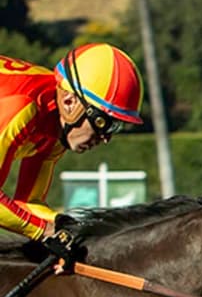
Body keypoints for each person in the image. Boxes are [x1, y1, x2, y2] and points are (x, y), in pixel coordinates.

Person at [0, 42, 144, 250]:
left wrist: (67, 228)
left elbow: (28, 201)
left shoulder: (56, 127)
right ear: (70, 103)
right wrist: (45, 231)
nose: (105, 138)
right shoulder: (22, 107)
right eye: (103, 123)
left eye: (116, 127)